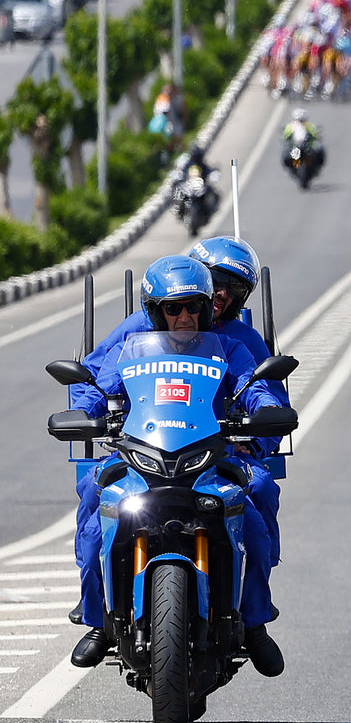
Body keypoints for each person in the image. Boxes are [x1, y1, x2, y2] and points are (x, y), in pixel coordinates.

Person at [66, 256, 289, 677]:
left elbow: (259, 389)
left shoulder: (230, 347)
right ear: (155, 312)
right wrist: (85, 415)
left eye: (192, 307)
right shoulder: (131, 347)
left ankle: (255, 622)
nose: (184, 316)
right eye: (173, 308)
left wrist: (260, 423)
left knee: (257, 509)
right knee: (94, 502)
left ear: (207, 308)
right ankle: (97, 621)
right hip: (138, 452)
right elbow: (94, 385)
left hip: (215, 454)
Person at [282, 108, 326, 179]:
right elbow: (285, 135)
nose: (300, 121)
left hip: (308, 147)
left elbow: (316, 134)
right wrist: (287, 137)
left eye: (302, 119)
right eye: (298, 119)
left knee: (320, 151)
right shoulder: (291, 126)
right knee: (285, 155)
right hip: (295, 148)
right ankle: (292, 169)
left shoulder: (310, 125)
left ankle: (317, 168)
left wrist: (315, 136)